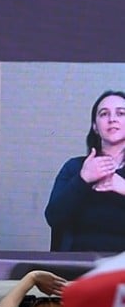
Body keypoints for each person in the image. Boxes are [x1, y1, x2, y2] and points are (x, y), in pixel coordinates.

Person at [46, 90, 125, 251]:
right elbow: (54, 217)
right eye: (104, 114)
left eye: (121, 113)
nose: (112, 119)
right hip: (79, 264)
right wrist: (83, 179)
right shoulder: (74, 167)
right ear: (95, 127)